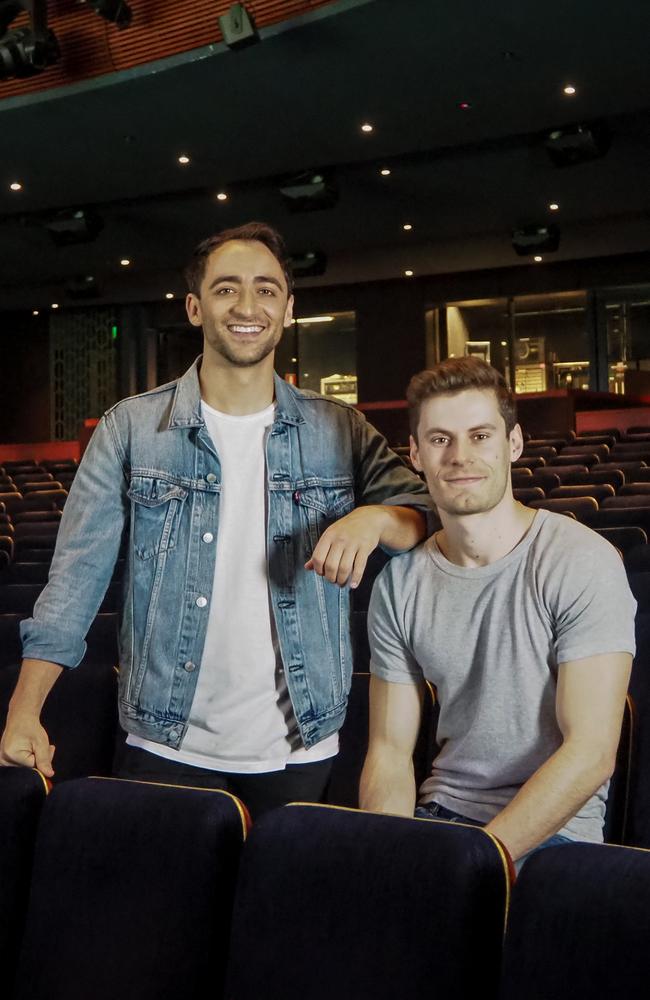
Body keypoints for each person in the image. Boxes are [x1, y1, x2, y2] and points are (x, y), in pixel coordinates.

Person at [0, 221, 430, 818]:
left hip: (301, 745)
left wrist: (376, 520)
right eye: (227, 289)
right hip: (163, 739)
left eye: (267, 290)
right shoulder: (127, 429)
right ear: (195, 308)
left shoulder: (341, 428)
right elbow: (75, 580)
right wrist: (24, 712)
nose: (248, 306)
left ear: (288, 309)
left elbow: (425, 515)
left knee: (277, 913)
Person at [359, 356, 636, 869]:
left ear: (513, 443)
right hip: (443, 813)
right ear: (416, 453)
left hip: (556, 832)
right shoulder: (398, 584)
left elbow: (591, 752)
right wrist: (387, 850)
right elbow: (390, 752)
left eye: (480, 435)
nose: (460, 456)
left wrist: (480, 861)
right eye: (440, 439)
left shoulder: (579, 560)